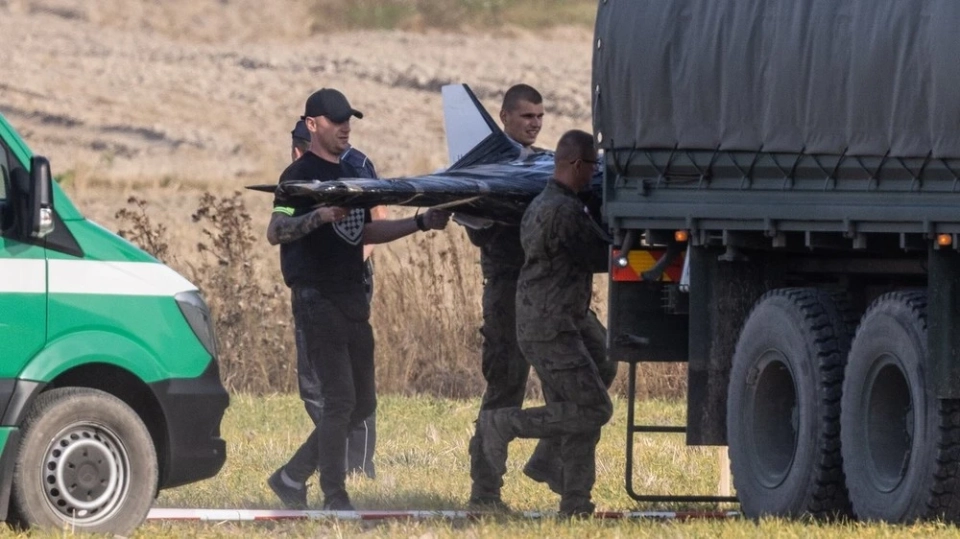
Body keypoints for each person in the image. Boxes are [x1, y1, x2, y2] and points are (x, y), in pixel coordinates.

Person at [267, 88, 451, 511]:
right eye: (335, 120)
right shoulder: (298, 178)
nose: (345, 127)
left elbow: (364, 233)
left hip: (352, 296)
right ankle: (335, 495)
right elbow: (276, 231)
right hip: (316, 296)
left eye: (348, 118)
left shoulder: (354, 173)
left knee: (362, 402)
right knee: (340, 400)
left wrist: (421, 222)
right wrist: (317, 215)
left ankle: (291, 476)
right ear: (313, 125)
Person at [477, 129, 615, 517]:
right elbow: (599, 255)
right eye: (591, 167)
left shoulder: (544, 203)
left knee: (594, 377)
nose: (593, 174)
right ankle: (505, 424)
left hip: (558, 319)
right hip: (551, 325)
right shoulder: (564, 211)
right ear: (576, 164)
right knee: (593, 408)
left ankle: (573, 499)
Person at [463, 84, 547, 509]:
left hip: (548, 292)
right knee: (506, 387)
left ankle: (549, 458)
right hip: (507, 293)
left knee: (591, 371)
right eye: (526, 116)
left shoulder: (543, 165)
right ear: (505, 117)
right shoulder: (488, 170)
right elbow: (470, 217)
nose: (533, 124)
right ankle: (485, 490)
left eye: (539, 117)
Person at [290, 120, 383, 479]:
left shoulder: (356, 166)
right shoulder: (302, 176)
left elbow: (377, 220)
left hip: (344, 286)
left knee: (347, 388)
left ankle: (355, 466)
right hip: (318, 286)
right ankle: (325, 465)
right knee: (324, 387)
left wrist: (344, 265)